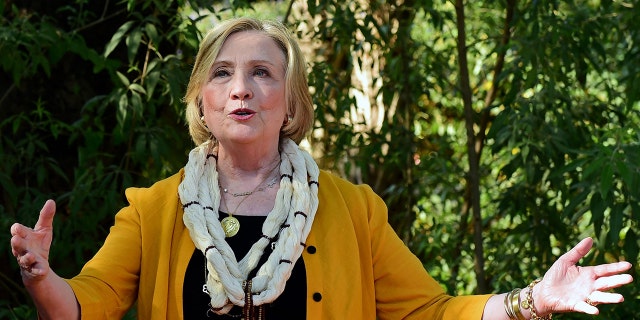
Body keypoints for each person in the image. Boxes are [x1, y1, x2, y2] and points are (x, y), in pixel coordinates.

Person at [10, 17, 633, 320]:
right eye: (221, 73)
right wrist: (42, 277)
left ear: (292, 104)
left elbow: (431, 311)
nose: (240, 89)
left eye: (262, 73)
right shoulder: (152, 209)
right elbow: (86, 304)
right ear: (201, 97)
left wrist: (533, 300)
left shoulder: (353, 209)